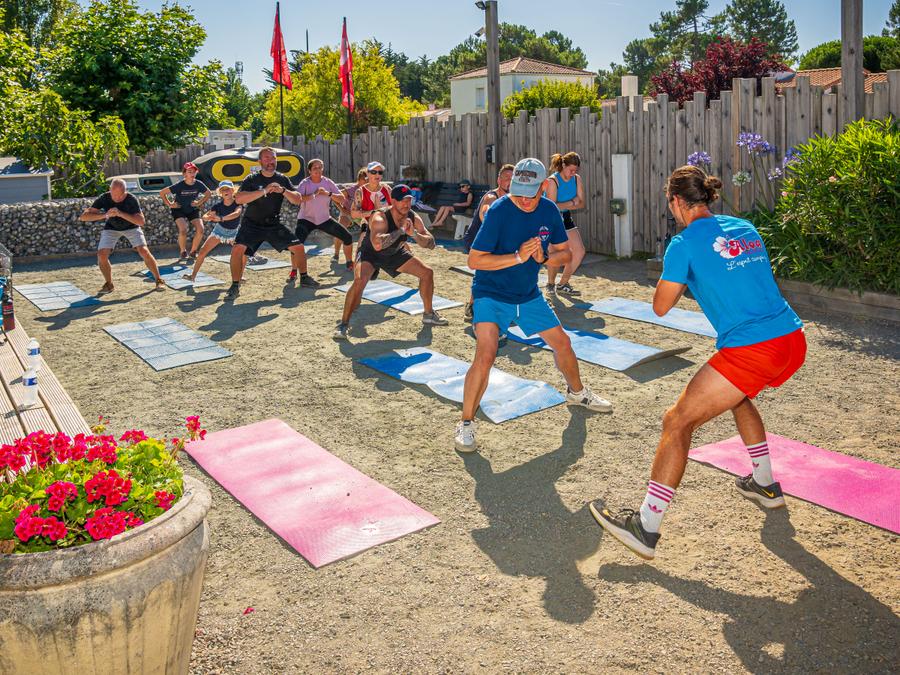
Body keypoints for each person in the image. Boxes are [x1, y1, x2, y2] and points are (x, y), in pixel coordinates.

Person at [589, 165, 806, 561]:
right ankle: (764, 483)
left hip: (752, 347)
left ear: (676, 201)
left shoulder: (683, 244)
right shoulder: (745, 227)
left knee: (677, 421)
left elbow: (660, 306)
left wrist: (682, 269)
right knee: (737, 397)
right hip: (791, 338)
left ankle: (645, 527)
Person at [455, 158, 612, 453]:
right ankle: (466, 422)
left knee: (563, 343)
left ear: (543, 187)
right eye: (519, 193)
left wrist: (543, 258)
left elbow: (565, 254)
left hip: (527, 294)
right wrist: (517, 257)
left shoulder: (549, 210)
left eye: (531, 194)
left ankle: (577, 393)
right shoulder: (499, 210)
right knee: (486, 354)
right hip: (491, 293)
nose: (525, 200)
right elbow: (475, 260)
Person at [334, 184, 449, 340]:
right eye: (402, 201)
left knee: (427, 273)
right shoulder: (380, 217)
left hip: (394, 253)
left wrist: (414, 234)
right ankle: (343, 324)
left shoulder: (413, 217)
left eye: (409, 200)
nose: (406, 204)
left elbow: (431, 243)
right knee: (359, 281)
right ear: (393, 201)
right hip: (370, 253)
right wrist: (400, 231)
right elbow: (377, 245)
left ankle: (429, 314)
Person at [224, 147, 307, 300]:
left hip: (273, 224)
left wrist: (283, 191)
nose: (271, 161)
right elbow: (239, 198)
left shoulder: (282, 179)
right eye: (267, 158)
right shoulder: (251, 179)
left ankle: (305, 277)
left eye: (273, 158)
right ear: (260, 161)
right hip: (251, 224)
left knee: (299, 247)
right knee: (237, 250)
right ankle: (234, 285)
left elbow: (297, 199)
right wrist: (264, 191)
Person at [79, 178, 164, 293]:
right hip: (111, 227)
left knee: (144, 251)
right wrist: (105, 215)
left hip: (131, 227)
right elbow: (84, 217)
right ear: (110, 190)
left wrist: (120, 214)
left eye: (120, 195)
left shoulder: (131, 199)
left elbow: (141, 221)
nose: (117, 198)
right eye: (114, 195)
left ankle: (159, 280)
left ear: (125, 191)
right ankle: (109, 284)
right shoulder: (104, 198)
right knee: (101, 255)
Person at [462, 164, 514, 322]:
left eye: (513, 179)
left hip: (493, 242)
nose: (510, 181)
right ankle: (474, 307)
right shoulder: (492, 198)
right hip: (477, 241)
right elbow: (486, 217)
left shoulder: (513, 199)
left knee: (498, 273)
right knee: (489, 274)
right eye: (506, 178)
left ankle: (474, 307)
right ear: (499, 180)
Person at [290, 159, 354, 280]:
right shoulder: (305, 183)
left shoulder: (328, 182)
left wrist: (328, 193)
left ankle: (349, 262)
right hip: (306, 219)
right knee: (296, 244)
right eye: (315, 168)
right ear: (309, 171)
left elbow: (341, 199)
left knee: (347, 237)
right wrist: (313, 194)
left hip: (324, 219)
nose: (318, 170)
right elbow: (298, 200)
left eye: (320, 167)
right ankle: (294, 270)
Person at [544, 152, 586, 295]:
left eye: (575, 170)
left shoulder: (577, 179)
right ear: (563, 165)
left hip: (566, 217)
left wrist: (566, 204)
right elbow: (552, 207)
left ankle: (562, 284)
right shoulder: (552, 181)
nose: (573, 173)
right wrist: (572, 202)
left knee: (579, 251)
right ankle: (550, 284)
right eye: (571, 170)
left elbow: (582, 203)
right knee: (555, 253)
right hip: (550, 219)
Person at [186, 180, 243, 282]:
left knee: (242, 254)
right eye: (223, 190)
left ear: (233, 190)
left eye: (227, 189)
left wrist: (221, 218)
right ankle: (192, 276)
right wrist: (208, 217)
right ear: (220, 193)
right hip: (219, 231)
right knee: (202, 251)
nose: (225, 191)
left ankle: (239, 276)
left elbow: (236, 214)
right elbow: (205, 216)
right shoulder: (218, 206)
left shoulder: (237, 203)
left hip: (233, 232)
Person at [159, 162, 212, 262]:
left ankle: (193, 252)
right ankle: (183, 252)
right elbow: (162, 193)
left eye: (194, 172)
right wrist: (170, 204)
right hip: (179, 209)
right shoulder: (179, 185)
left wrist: (199, 202)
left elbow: (208, 193)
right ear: (184, 174)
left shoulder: (199, 184)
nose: (192, 174)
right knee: (183, 229)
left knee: (201, 229)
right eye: (189, 171)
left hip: (192, 209)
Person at [333, 168, 367, 263]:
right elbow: (335, 197)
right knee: (339, 231)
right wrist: (342, 210)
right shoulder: (351, 189)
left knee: (369, 233)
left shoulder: (369, 190)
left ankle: (364, 256)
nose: (366, 181)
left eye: (368, 179)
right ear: (359, 179)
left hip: (361, 215)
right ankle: (336, 254)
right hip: (347, 213)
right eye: (364, 179)